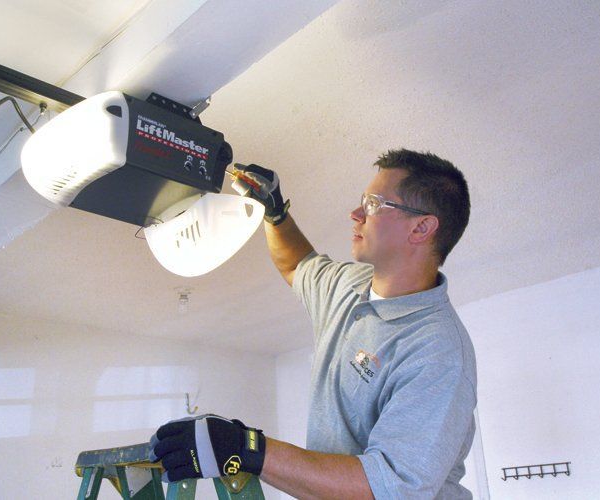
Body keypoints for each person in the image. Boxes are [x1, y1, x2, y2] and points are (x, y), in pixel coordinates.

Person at [149, 149, 477, 499]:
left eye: (373, 204)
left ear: (422, 227)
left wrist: (247, 449)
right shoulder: (348, 286)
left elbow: (388, 489)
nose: (355, 214)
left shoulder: (438, 351)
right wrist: (275, 213)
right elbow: (297, 265)